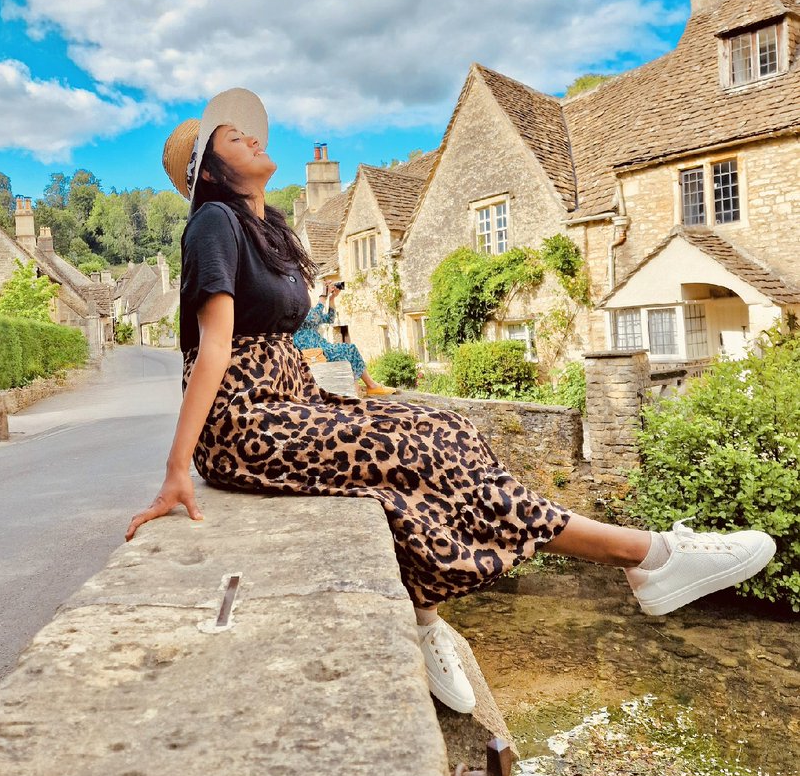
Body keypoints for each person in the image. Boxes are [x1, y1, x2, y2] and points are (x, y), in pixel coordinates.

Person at [127, 88, 776, 716]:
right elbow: (214, 349)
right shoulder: (212, 222)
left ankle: (423, 607)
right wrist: (177, 468)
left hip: (290, 396)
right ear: (209, 172)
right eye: (233, 137)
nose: (254, 137)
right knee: (418, 449)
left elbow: (289, 335)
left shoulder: (267, 229)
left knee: (446, 427)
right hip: (244, 419)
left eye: (252, 130)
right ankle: (646, 555)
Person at [293, 282, 395, 396]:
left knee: (348, 350)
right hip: (310, 350)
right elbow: (313, 317)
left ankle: (367, 387)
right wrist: (323, 296)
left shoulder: (309, 311)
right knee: (345, 350)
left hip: (320, 347)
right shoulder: (295, 310)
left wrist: (332, 299)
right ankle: (365, 388)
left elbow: (330, 319)